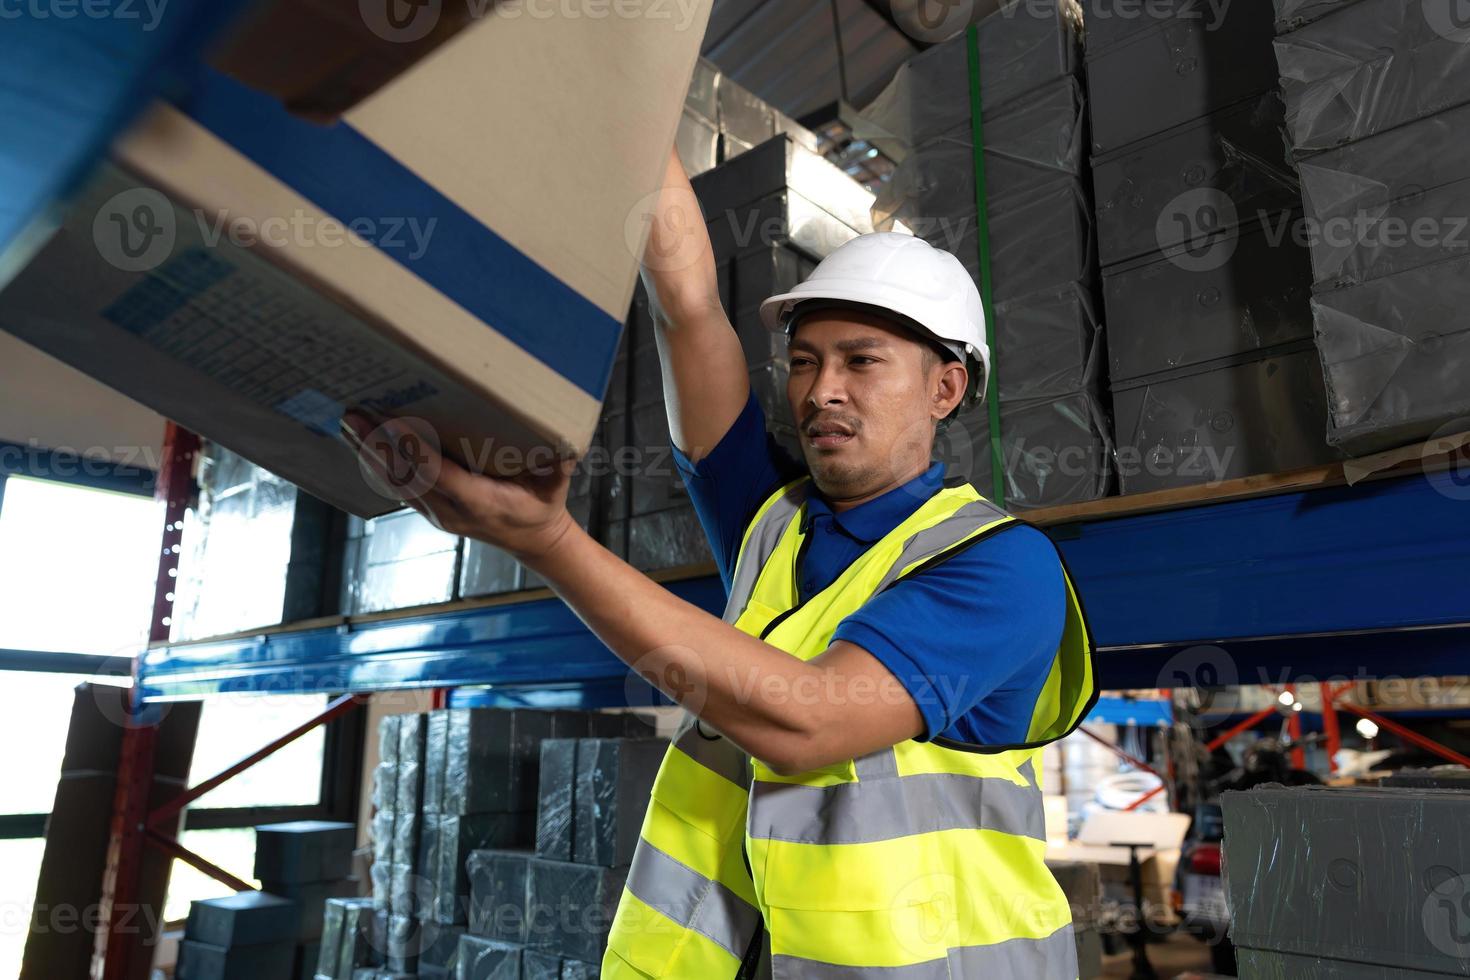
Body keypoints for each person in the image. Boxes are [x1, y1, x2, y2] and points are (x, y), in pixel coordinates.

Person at [345, 149, 1096, 978]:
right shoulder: (774, 523)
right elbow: (688, 304)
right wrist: (632, 90)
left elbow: (807, 722)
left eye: (861, 361)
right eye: (804, 361)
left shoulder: (1001, 568)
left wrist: (545, 541)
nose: (820, 391)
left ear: (946, 390)